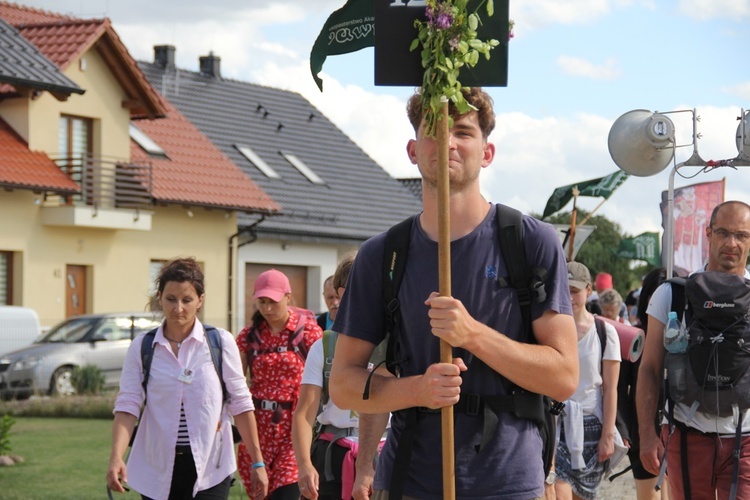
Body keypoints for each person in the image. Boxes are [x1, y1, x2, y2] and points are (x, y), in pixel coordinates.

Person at [329, 87, 579, 499]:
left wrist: (473, 336)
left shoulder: (531, 241)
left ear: (487, 151)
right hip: (411, 478)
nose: (447, 143)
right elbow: (342, 384)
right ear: (413, 149)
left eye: (463, 131)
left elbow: (564, 376)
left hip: (508, 481)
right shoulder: (382, 254)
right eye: (434, 132)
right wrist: (416, 390)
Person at [107, 257, 269, 500]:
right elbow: (128, 405)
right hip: (157, 466)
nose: (178, 308)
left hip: (211, 468)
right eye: (171, 299)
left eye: (187, 300)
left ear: (200, 301)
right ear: (159, 297)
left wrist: (258, 463)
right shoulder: (143, 346)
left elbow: (241, 403)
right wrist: (116, 456)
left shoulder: (220, 343)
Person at [637, 200, 750, 499]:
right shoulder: (672, 294)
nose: (731, 243)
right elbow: (649, 367)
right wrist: (647, 435)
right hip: (686, 433)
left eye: (741, 235)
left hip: (746, 438)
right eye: (723, 232)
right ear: (708, 233)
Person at [236, 269, 323, 499]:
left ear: (288, 298)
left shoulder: (309, 334)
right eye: (261, 302)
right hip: (258, 435)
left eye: (273, 302)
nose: (267, 309)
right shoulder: (248, 336)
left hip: (294, 431)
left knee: (287, 494)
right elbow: (234, 383)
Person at [293, 252, 363, 500]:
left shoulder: (395, 342)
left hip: (384, 454)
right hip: (332, 457)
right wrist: (304, 466)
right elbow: (304, 413)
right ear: (344, 293)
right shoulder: (323, 346)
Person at [553, 262, 622, 500]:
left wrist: (608, 436)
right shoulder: (549, 328)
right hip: (556, 420)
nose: (568, 296)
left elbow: (611, 389)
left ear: (589, 290)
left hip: (591, 424)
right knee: (556, 489)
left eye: (574, 290)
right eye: (563, 289)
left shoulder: (605, 331)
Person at [618, 268, 671, 500]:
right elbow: (620, 388)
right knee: (648, 496)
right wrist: (623, 429)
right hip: (642, 431)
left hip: (679, 429)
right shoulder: (635, 336)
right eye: (654, 294)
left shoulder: (684, 336)